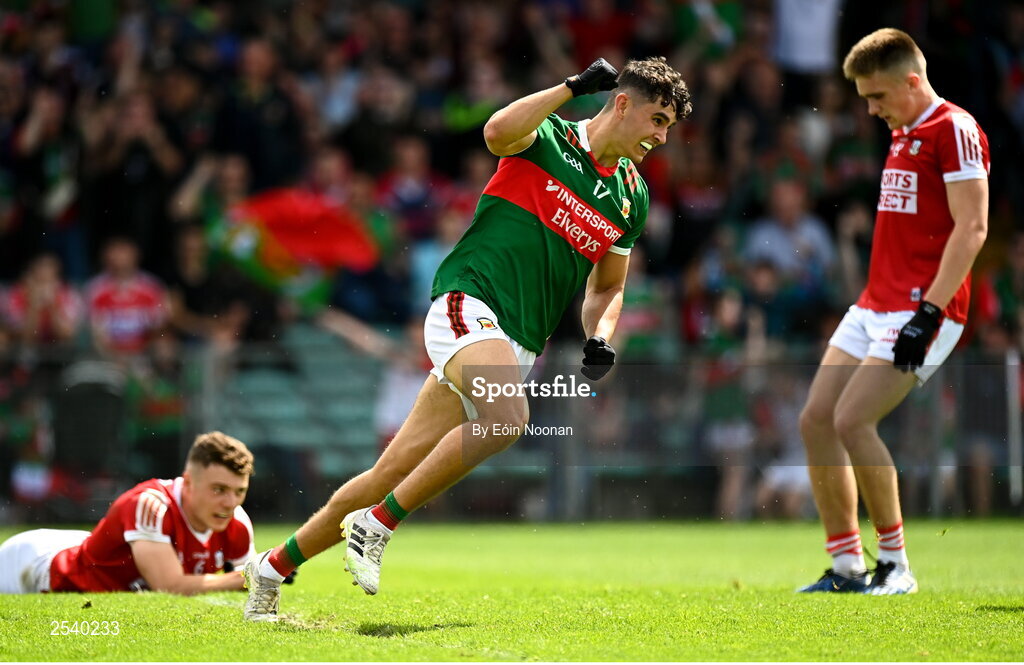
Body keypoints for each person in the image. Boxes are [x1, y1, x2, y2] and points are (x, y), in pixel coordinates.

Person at [242, 57, 691, 621]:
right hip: (468, 299)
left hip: (518, 342)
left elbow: (606, 288)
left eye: (669, 126)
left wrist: (600, 334)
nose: (661, 136)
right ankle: (378, 524)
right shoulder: (547, 134)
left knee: (389, 471)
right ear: (622, 103)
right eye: (657, 118)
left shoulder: (632, 197)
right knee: (508, 417)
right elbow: (494, 132)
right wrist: (573, 87)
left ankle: (271, 568)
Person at [798, 29, 989, 595]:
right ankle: (846, 567)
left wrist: (927, 314)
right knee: (816, 421)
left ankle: (896, 566)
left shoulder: (952, 128)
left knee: (853, 420)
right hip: (875, 302)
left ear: (912, 81)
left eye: (876, 96)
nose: (870, 108)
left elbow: (973, 227)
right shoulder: (904, 130)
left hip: (923, 308)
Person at [0, 432, 256, 595]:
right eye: (219, 489)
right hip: (33, 565)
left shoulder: (237, 520)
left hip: (82, 548)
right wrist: (252, 575)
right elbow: (170, 586)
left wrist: (260, 575)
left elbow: (255, 585)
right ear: (188, 482)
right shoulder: (152, 505)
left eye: (239, 491)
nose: (230, 502)